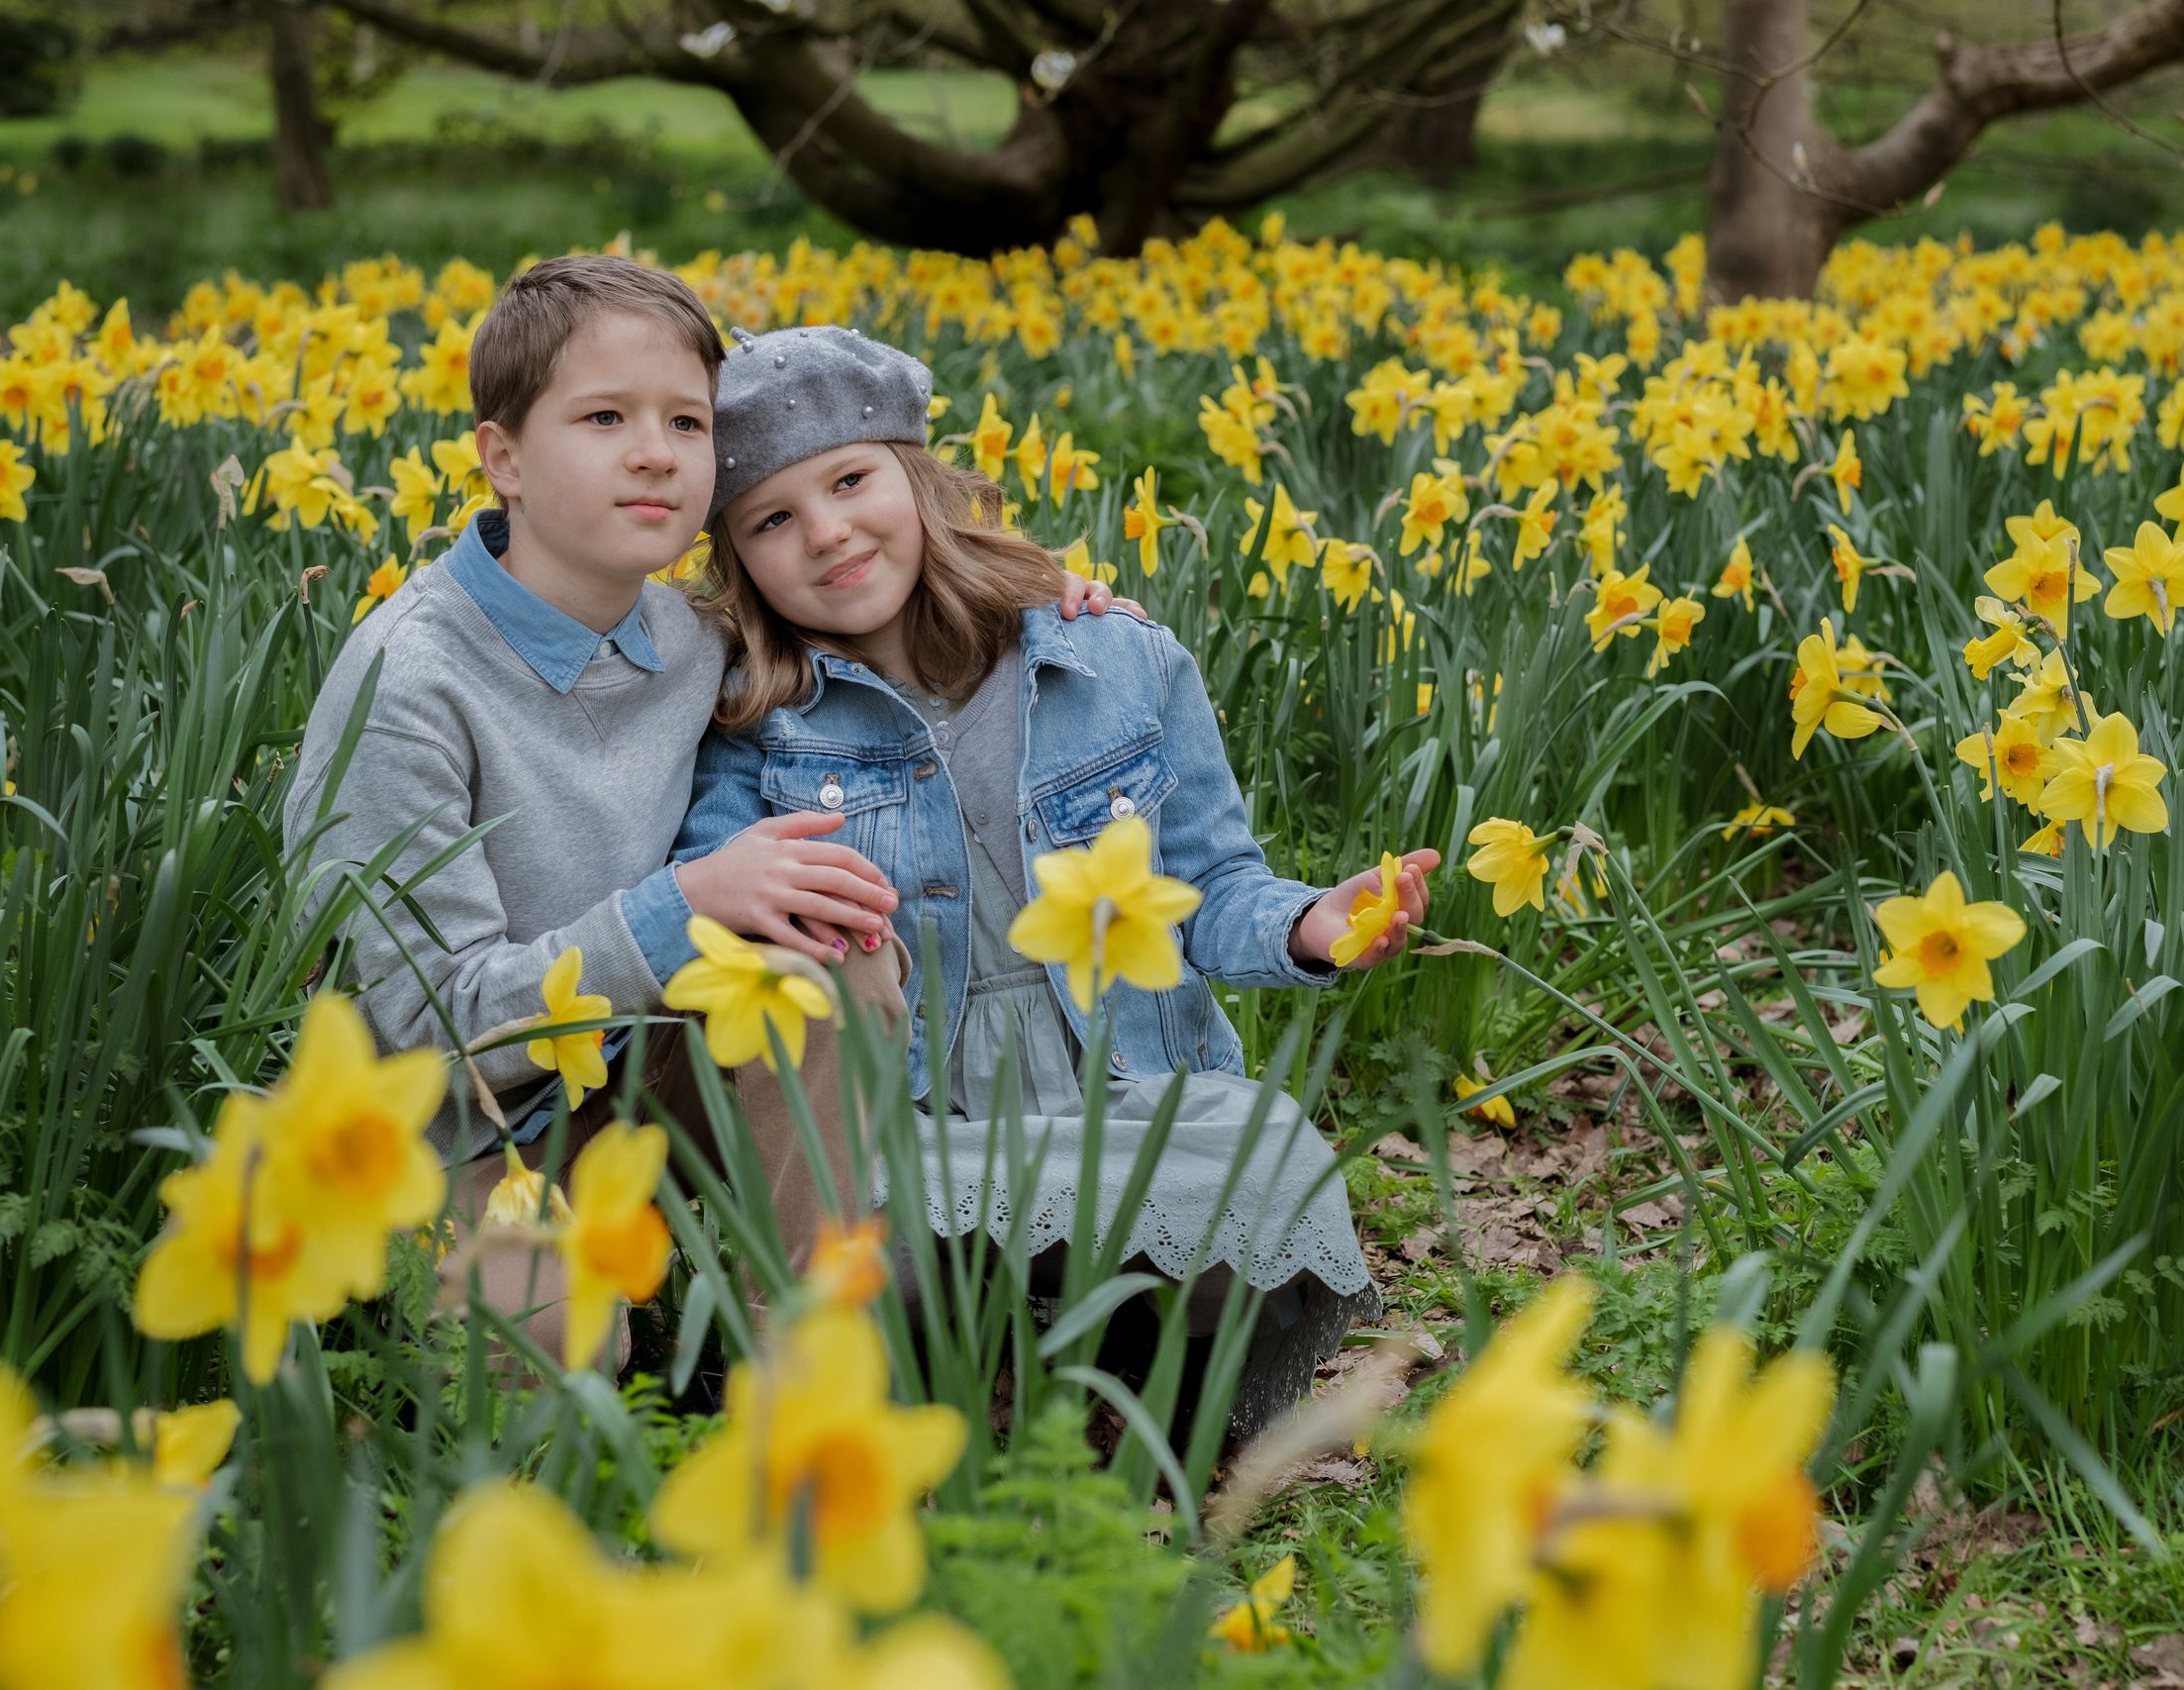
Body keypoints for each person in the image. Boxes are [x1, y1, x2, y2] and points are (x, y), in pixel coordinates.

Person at [283, 257, 1119, 1364]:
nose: (654, 453)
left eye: (686, 421)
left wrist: (1042, 608)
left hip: (646, 1084)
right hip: (468, 1133)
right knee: (547, 1341)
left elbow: (881, 613)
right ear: (503, 458)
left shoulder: (696, 643)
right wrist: (682, 907)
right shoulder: (407, 684)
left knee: (822, 962)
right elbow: (419, 1035)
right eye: (603, 417)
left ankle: (808, 1374)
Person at [676, 323, 1440, 1438]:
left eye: (850, 481)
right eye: (772, 520)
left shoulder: (1115, 660)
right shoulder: (753, 720)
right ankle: (966, 1333)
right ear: (736, 558)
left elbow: (1211, 885)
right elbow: (721, 911)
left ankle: (1103, 1354)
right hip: (915, 1113)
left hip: (1122, 1092)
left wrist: (1312, 926)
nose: (828, 533)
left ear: (919, 479)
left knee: (1260, 1177)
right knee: (878, 1289)